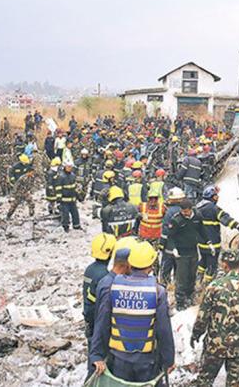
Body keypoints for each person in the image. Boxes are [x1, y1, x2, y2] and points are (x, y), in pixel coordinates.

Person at [90, 241, 175, 383]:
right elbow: (163, 329)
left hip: (118, 358)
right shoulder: (157, 291)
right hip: (147, 360)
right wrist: (168, 359)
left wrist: (97, 354)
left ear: (130, 263)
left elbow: (102, 321)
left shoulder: (114, 286)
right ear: (151, 265)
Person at [191, 249, 239, 387]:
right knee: (234, 384)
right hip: (237, 347)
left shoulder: (214, 287)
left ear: (224, 264)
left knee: (204, 381)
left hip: (215, 346)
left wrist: (196, 334)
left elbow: (202, 317)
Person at [196, 185, 239, 283]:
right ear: (212, 196)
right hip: (213, 244)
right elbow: (226, 219)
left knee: (203, 262)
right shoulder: (213, 208)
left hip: (201, 243)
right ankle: (206, 285)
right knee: (211, 265)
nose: (217, 198)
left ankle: (198, 280)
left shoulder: (198, 207)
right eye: (216, 196)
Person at [83, 232, 117, 378]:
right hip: (99, 322)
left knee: (92, 353)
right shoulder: (106, 276)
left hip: (89, 319)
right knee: (99, 361)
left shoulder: (90, 269)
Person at [167, 199, 207, 309]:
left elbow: (202, 230)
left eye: (186, 211)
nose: (185, 213)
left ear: (191, 209)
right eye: (183, 211)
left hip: (193, 250)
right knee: (182, 277)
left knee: (192, 275)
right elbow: (170, 236)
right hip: (181, 253)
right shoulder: (176, 220)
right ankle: (180, 301)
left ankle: (190, 297)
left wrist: (208, 242)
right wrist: (173, 248)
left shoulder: (197, 217)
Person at [56, 163, 80, 232]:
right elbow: (58, 188)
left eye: (70, 167)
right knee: (65, 215)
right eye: (68, 167)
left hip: (72, 199)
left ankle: (77, 226)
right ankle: (65, 227)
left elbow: (74, 187)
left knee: (75, 213)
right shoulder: (61, 176)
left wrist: (77, 195)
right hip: (64, 200)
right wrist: (59, 200)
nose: (69, 168)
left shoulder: (72, 175)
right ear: (65, 167)